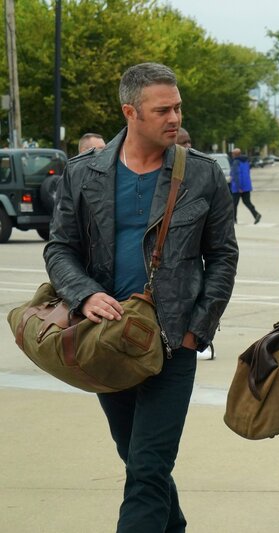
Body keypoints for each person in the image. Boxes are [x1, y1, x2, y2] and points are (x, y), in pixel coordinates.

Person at [44, 62, 238, 532]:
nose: (175, 118)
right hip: (106, 340)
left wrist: (197, 331)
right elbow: (60, 248)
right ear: (130, 112)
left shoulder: (203, 174)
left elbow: (223, 256)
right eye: (162, 110)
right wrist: (84, 295)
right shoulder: (83, 172)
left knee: (149, 466)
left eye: (178, 108)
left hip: (173, 343)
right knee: (137, 459)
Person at [230, 147, 261, 224]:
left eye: (232, 153)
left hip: (237, 188)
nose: (232, 155)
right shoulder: (246, 162)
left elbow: (236, 176)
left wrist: (239, 187)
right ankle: (256, 214)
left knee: (234, 204)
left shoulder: (235, 162)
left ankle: (234, 220)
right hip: (246, 186)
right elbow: (247, 173)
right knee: (247, 202)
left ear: (235, 154)